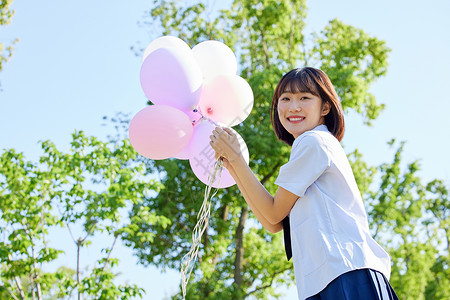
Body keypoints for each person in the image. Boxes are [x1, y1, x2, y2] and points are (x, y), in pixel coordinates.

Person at [209, 67, 399, 300]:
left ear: (325, 107)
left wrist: (237, 159)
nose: (293, 106)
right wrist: (232, 164)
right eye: (285, 98)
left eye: (304, 98)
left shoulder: (314, 141)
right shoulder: (309, 147)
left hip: (345, 272)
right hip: (324, 279)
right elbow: (274, 222)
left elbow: (274, 211)